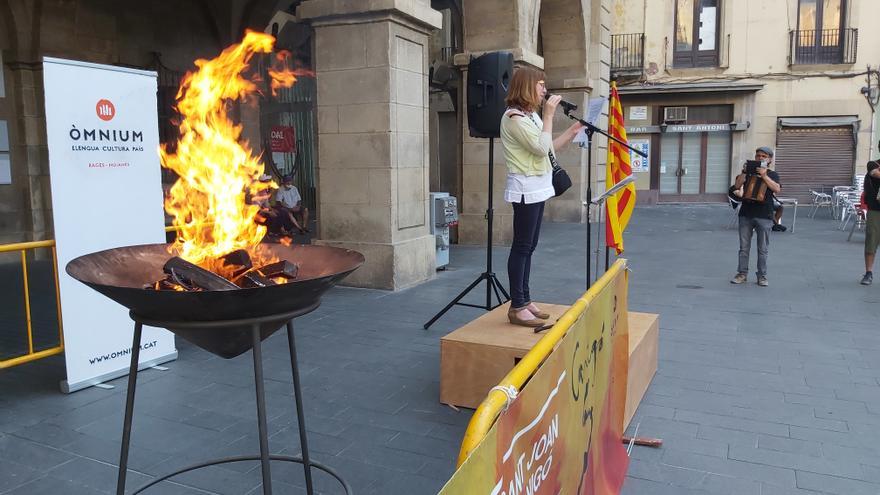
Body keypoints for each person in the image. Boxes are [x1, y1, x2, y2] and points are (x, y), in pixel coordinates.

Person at [500, 67, 584, 327]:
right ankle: (516, 306)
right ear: (526, 86)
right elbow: (539, 148)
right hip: (525, 188)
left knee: (530, 246)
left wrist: (571, 132)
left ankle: (524, 299)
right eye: (540, 85)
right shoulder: (514, 118)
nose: (544, 90)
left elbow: (547, 149)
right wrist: (548, 114)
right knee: (522, 246)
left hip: (538, 186)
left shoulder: (530, 117)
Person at [731, 146, 781, 287]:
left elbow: (777, 189)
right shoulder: (748, 172)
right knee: (744, 247)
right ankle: (742, 274)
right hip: (746, 214)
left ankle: (762, 276)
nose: (760, 158)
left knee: (762, 248)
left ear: (770, 159)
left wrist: (764, 176)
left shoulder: (772, 174)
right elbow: (737, 185)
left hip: (764, 215)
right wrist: (744, 172)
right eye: (758, 155)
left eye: (764, 156)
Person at [860, 159, 880, 285]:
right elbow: (875, 173)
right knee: (871, 240)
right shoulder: (873, 164)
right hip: (875, 210)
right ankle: (868, 273)